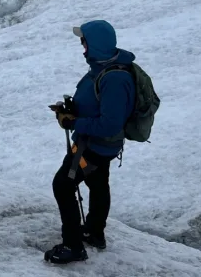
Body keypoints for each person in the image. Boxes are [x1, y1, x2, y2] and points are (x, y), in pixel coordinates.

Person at [44, 20, 136, 265]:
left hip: (94, 146)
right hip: (96, 144)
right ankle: (94, 233)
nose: (81, 45)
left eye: (83, 41)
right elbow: (97, 105)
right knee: (97, 182)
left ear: (94, 43)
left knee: (63, 185)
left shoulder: (114, 78)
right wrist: (73, 110)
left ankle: (73, 246)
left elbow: (110, 124)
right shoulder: (103, 66)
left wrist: (74, 123)